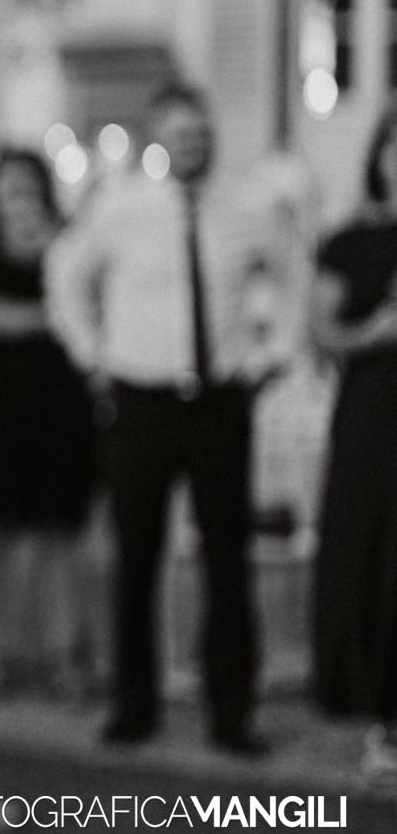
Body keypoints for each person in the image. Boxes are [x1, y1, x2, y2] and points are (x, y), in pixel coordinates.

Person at [49, 83, 298, 755]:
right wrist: (90, 355)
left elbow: (294, 277)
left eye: (200, 132)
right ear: (159, 138)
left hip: (220, 402)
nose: (192, 143)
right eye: (178, 133)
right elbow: (66, 272)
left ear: (212, 136)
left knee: (226, 558)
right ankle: (134, 702)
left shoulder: (250, 207)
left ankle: (231, 710)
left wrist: (274, 355)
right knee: (137, 556)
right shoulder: (120, 207)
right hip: (141, 401)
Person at [0, 147, 98, 696]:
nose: (18, 198)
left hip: (55, 403)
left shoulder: (67, 241)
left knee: (60, 533)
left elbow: (90, 302)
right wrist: (57, 318)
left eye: (28, 186)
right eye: (8, 187)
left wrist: (58, 261)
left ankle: (66, 658)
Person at [309, 107, 397, 774]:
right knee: (370, 551)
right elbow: (323, 335)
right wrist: (380, 330)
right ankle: (379, 714)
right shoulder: (348, 242)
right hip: (372, 413)